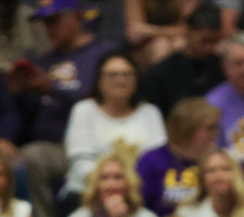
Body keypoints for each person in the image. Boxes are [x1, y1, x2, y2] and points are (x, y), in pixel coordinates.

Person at [4, 0, 113, 217]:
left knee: (34, 156)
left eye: (53, 20)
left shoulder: (102, 54)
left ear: (74, 16)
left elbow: (103, 102)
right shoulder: (44, 61)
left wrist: (52, 89)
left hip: (93, 144)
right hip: (53, 146)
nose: (48, 28)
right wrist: (18, 92)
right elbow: (31, 115)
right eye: (44, 22)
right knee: (26, 157)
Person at [62, 51, 168, 204]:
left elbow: (158, 159)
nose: (121, 80)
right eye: (112, 75)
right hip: (88, 194)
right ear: (99, 80)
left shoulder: (150, 112)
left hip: (140, 193)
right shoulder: (84, 110)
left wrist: (130, 189)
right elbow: (81, 161)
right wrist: (111, 188)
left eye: (127, 75)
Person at [136, 97, 221, 217]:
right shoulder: (151, 162)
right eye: (210, 128)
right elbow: (139, 206)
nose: (216, 133)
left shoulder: (218, 161)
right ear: (187, 130)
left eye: (216, 127)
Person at [139, 3, 226, 118]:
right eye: (204, 41)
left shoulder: (223, 69)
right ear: (188, 32)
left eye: (214, 41)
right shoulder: (161, 73)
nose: (209, 47)